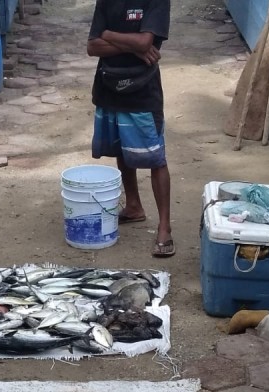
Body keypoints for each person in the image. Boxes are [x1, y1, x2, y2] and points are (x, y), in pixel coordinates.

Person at [87, 0, 173, 257]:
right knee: (121, 149)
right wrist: (132, 46)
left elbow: (145, 43)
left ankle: (165, 228)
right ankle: (134, 206)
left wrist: (109, 35)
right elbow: (92, 47)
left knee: (156, 158)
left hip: (142, 91)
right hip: (108, 87)